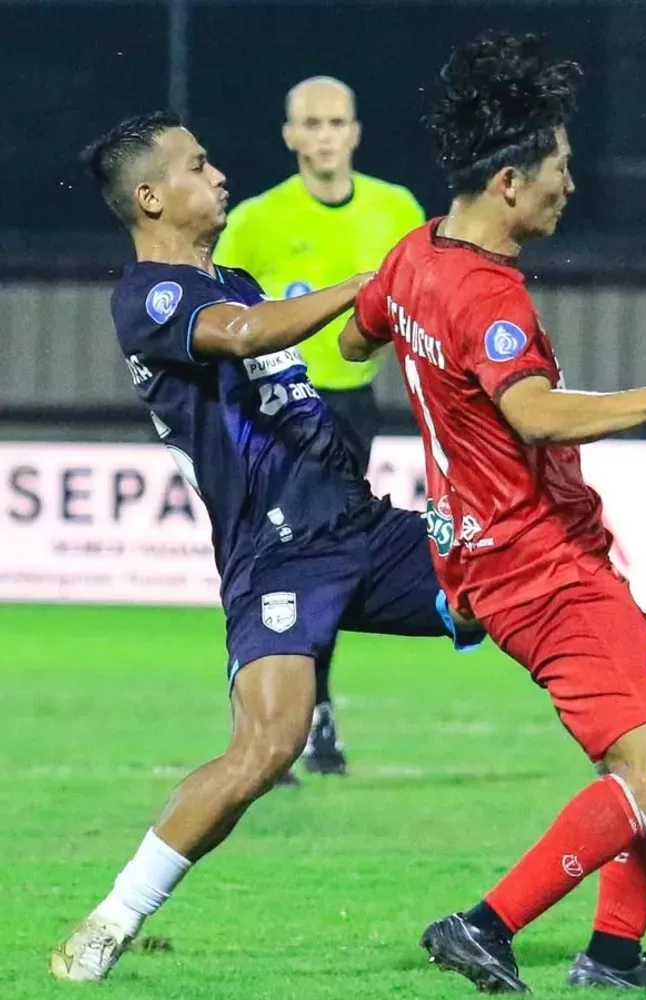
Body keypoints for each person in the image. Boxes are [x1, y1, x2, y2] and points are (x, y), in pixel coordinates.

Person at [338, 32, 646, 991]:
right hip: (537, 562)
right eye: (558, 172)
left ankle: (611, 954)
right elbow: (527, 409)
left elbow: (363, 340)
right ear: (506, 183)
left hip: (492, 559)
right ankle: (482, 925)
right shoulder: (490, 296)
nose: (569, 186)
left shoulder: (412, 256)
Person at [51, 111, 480, 983]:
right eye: (196, 164)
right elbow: (247, 335)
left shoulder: (236, 277)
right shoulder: (151, 298)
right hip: (278, 558)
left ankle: (642, 824)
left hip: (361, 525)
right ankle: (113, 919)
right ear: (149, 196)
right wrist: (373, 285)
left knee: (525, 588)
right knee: (268, 747)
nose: (216, 173)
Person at [214, 76, 428, 777]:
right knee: (272, 556)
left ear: (356, 133)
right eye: (312, 122)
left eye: (338, 121)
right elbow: (223, 312)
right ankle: (280, 716)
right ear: (291, 136)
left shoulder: (395, 208)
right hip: (276, 416)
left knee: (318, 558)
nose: (326, 134)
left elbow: (423, 308)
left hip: (352, 408)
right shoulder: (256, 219)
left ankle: (309, 711)